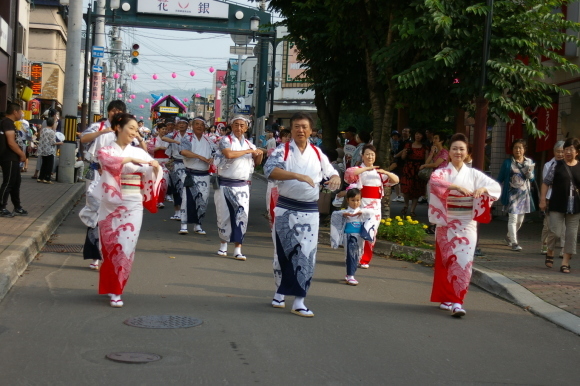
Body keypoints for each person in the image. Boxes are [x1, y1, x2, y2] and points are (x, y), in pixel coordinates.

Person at [264, 112, 341, 317]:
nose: (301, 130)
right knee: (283, 253)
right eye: (297, 126)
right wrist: (297, 175)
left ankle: (299, 300)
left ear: (311, 130)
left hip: (309, 210)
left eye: (304, 126)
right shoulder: (283, 151)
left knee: (306, 254)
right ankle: (279, 293)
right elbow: (269, 170)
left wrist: (334, 179)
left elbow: (332, 172)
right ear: (291, 129)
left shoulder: (317, 153)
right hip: (285, 209)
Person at [428, 133, 501, 317]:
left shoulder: (474, 174)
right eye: (454, 148)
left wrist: (483, 189)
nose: (458, 152)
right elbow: (434, 182)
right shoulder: (443, 172)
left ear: (467, 152)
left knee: (464, 262)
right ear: (449, 152)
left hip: (467, 223)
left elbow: (495, 188)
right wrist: (455, 187)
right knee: (446, 261)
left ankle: (457, 301)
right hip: (446, 222)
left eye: (462, 149)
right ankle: (446, 297)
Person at [95, 113, 163, 307]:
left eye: (136, 129)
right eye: (131, 128)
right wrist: (131, 159)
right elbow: (108, 162)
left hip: (133, 202)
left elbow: (152, 171)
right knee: (109, 246)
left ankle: (117, 290)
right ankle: (109, 285)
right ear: (118, 127)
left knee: (126, 246)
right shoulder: (107, 149)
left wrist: (156, 167)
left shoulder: (141, 153)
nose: (135, 132)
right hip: (110, 203)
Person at [214, 116, 263, 260]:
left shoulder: (249, 143)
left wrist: (258, 154)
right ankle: (223, 245)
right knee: (224, 215)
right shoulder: (225, 140)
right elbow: (228, 154)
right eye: (236, 125)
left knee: (241, 216)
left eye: (242, 125)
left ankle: (238, 248)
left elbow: (257, 161)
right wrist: (249, 152)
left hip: (242, 185)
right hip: (225, 183)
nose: (239, 128)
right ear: (231, 126)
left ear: (246, 128)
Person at [344, 144, 399, 268]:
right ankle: (354, 257)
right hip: (360, 206)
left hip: (375, 208)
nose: (370, 157)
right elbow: (349, 174)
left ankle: (364, 259)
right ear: (362, 156)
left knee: (371, 233)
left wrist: (385, 172)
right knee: (356, 233)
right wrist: (366, 169)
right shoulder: (358, 170)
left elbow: (395, 180)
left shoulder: (379, 173)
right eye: (367, 154)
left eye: (372, 154)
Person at [539, 138, 580, 274]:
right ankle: (550, 250)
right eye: (566, 149)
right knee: (555, 232)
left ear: (577, 152)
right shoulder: (556, 165)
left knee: (571, 235)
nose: (567, 152)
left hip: (575, 207)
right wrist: (543, 200)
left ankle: (565, 262)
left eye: (570, 149)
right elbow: (546, 183)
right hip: (557, 204)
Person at [330, 188, 375, 285]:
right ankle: (350, 275)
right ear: (347, 200)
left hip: (359, 236)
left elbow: (372, 213)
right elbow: (334, 214)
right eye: (353, 200)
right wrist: (343, 214)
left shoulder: (363, 211)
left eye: (358, 200)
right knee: (351, 254)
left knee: (358, 255)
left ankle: (350, 274)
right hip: (349, 235)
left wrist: (362, 212)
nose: (355, 203)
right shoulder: (345, 212)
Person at [178, 117, 215, 235]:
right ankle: (184, 225)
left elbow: (216, 154)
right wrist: (200, 157)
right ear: (192, 126)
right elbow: (183, 151)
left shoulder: (209, 140)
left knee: (202, 200)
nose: (199, 126)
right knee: (187, 199)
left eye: (202, 125)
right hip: (191, 173)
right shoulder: (187, 138)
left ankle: (198, 224)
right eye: (197, 124)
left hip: (204, 174)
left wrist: (211, 159)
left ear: (205, 127)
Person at [497, 139, 535, 251]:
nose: (518, 150)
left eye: (520, 148)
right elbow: (500, 177)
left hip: (524, 194)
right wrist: (492, 188)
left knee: (520, 220)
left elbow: (533, 179)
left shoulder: (529, 161)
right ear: (512, 150)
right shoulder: (507, 163)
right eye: (515, 148)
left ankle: (509, 236)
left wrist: (530, 174)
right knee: (513, 218)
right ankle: (514, 243)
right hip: (511, 194)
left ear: (524, 149)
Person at [0, 103, 28, 217]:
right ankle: (1, 207)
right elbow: (11, 142)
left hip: (13, 158)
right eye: (20, 111)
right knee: (8, 182)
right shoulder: (7, 123)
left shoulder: (9, 123)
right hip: (9, 157)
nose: (21, 113)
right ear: (15, 112)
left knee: (16, 183)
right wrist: (22, 154)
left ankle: (17, 207)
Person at [162, 118, 192, 220]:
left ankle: (185, 211)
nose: (182, 125)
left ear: (188, 125)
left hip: (187, 164)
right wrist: (176, 141)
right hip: (175, 164)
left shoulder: (191, 136)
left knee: (186, 188)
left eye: (184, 123)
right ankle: (177, 211)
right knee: (175, 188)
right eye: (180, 123)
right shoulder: (174, 135)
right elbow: (164, 138)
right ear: (177, 125)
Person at [540, 141, 565, 257]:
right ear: (554, 152)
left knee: (565, 226)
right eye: (558, 151)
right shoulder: (548, 165)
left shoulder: (569, 165)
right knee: (549, 226)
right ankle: (546, 244)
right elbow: (546, 183)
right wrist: (543, 199)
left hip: (565, 199)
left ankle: (563, 249)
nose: (560, 154)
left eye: (562, 151)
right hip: (551, 197)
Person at [266, 128, 291, 229]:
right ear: (281, 138)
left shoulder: (296, 151)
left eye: (289, 136)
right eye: (285, 136)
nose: (288, 138)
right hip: (275, 182)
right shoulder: (276, 151)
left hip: (288, 183)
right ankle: (274, 227)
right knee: (272, 204)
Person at [400, 130, 428, 217]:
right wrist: (405, 152)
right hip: (408, 168)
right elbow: (403, 157)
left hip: (418, 168)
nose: (418, 136)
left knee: (416, 190)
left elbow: (426, 160)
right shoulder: (408, 145)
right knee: (406, 188)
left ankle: (412, 210)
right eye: (416, 133)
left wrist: (424, 167)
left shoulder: (425, 147)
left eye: (420, 134)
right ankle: (406, 204)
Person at [36, 117, 63, 184]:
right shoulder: (52, 132)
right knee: (49, 165)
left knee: (44, 164)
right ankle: (47, 178)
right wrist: (60, 143)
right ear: (52, 124)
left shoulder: (43, 130)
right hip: (49, 150)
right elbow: (52, 143)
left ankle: (40, 177)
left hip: (43, 149)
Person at [390, 127, 412, 202]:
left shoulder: (409, 142)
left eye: (406, 131)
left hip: (405, 163)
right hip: (398, 162)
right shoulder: (399, 142)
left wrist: (395, 156)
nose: (404, 132)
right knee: (396, 178)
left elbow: (404, 151)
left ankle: (403, 195)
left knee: (403, 179)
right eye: (403, 131)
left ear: (409, 133)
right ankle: (398, 195)